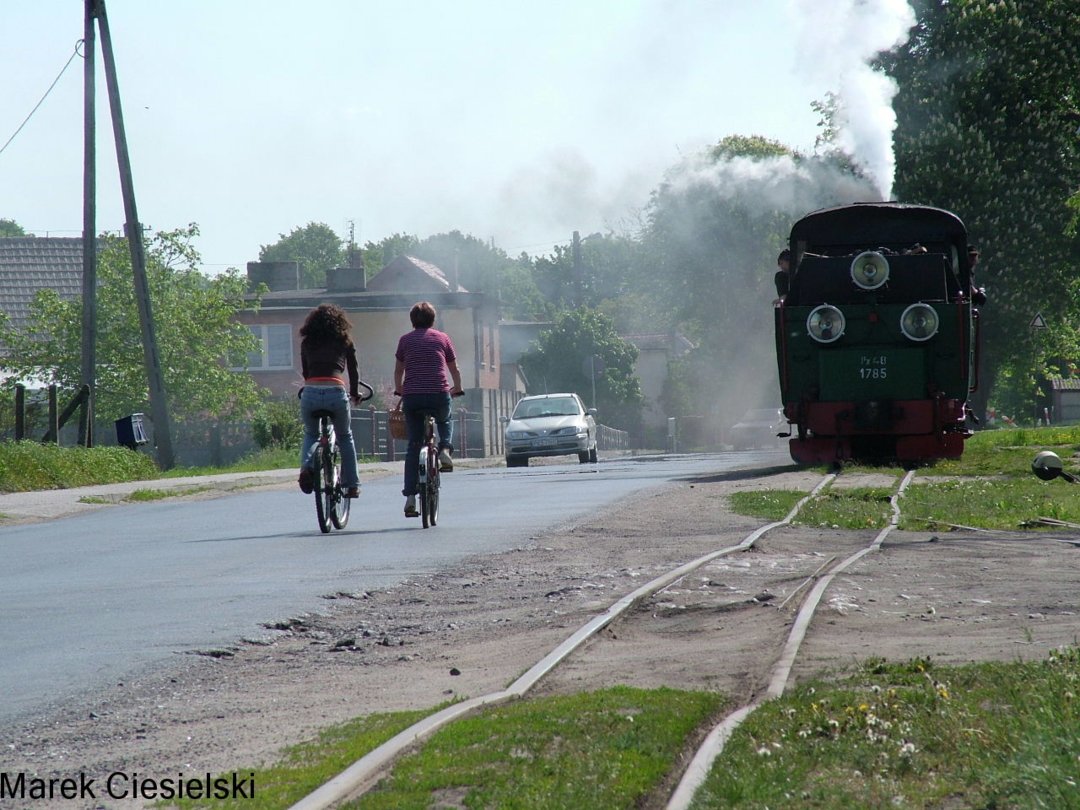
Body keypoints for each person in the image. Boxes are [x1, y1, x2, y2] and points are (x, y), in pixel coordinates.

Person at [393, 301, 464, 518]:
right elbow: (454, 369)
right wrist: (458, 388)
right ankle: (444, 450)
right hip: (438, 394)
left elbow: (398, 372)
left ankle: (410, 499)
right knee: (445, 419)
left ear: (412, 320)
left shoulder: (404, 340)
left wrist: (400, 391)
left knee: (414, 446)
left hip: (413, 397)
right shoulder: (443, 338)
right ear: (433, 320)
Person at [297, 303, 362, 499]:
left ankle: (307, 468)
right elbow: (353, 370)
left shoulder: (307, 342)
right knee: (345, 437)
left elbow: (306, 372)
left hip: (310, 392)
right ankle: (352, 485)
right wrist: (354, 393)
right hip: (335, 391)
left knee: (311, 434)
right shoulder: (344, 341)